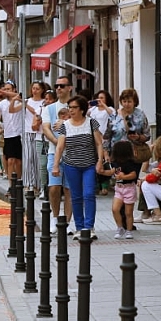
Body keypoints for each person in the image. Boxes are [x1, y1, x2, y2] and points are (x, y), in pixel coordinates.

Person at [51, 95, 104, 238]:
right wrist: (55, 165)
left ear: (82, 109)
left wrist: (100, 161)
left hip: (89, 165)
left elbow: (99, 143)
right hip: (71, 165)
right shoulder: (65, 126)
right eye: (70, 107)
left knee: (88, 194)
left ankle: (89, 227)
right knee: (76, 196)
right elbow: (60, 147)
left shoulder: (91, 123)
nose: (71, 110)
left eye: (74, 107)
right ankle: (79, 228)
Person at [42, 75, 75, 224]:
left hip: (73, 153)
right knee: (54, 187)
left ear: (70, 88)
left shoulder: (76, 107)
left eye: (62, 86)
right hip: (53, 152)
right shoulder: (49, 108)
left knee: (69, 189)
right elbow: (45, 128)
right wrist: (57, 142)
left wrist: (66, 122)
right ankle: (55, 218)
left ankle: (67, 222)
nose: (59, 89)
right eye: (57, 86)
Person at [101, 140, 139, 239]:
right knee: (115, 209)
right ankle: (120, 227)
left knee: (128, 212)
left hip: (129, 188)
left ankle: (129, 230)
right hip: (119, 188)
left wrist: (123, 177)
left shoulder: (131, 163)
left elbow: (133, 175)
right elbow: (112, 172)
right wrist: (102, 172)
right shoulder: (115, 163)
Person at [0, 81, 25, 181]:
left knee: (19, 162)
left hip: (19, 134)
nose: (6, 91)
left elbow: (17, 95)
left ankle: (19, 182)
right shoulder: (2, 103)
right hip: (8, 135)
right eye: (5, 89)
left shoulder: (19, 100)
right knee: (10, 160)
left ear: (14, 89)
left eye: (8, 89)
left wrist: (3, 92)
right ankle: (11, 185)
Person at [140, 135, 161, 225]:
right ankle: (148, 212)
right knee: (143, 183)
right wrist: (148, 153)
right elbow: (144, 168)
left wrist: (146, 178)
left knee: (145, 185)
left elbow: (151, 178)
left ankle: (158, 215)